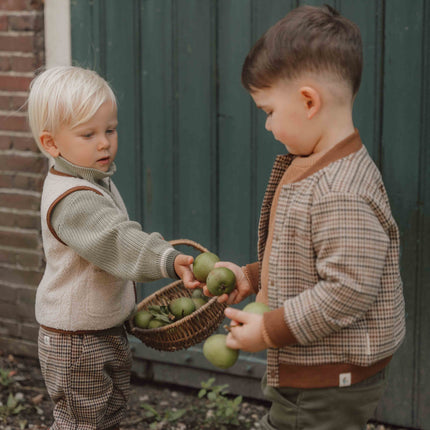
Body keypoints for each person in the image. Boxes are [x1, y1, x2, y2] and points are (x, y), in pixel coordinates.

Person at [211, 5, 406, 430]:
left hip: (328, 380)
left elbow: (347, 290)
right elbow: (306, 261)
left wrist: (268, 330)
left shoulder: (341, 190)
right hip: (319, 372)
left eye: (268, 111)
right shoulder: (316, 164)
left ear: (308, 101)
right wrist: (252, 276)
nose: (267, 127)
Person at [27, 65, 199, 430]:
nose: (104, 142)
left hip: (101, 330)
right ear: (51, 143)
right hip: (76, 342)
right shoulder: (73, 200)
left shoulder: (92, 179)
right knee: (82, 422)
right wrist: (168, 260)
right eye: (88, 134)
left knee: (109, 415)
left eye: (110, 129)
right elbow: (117, 241)